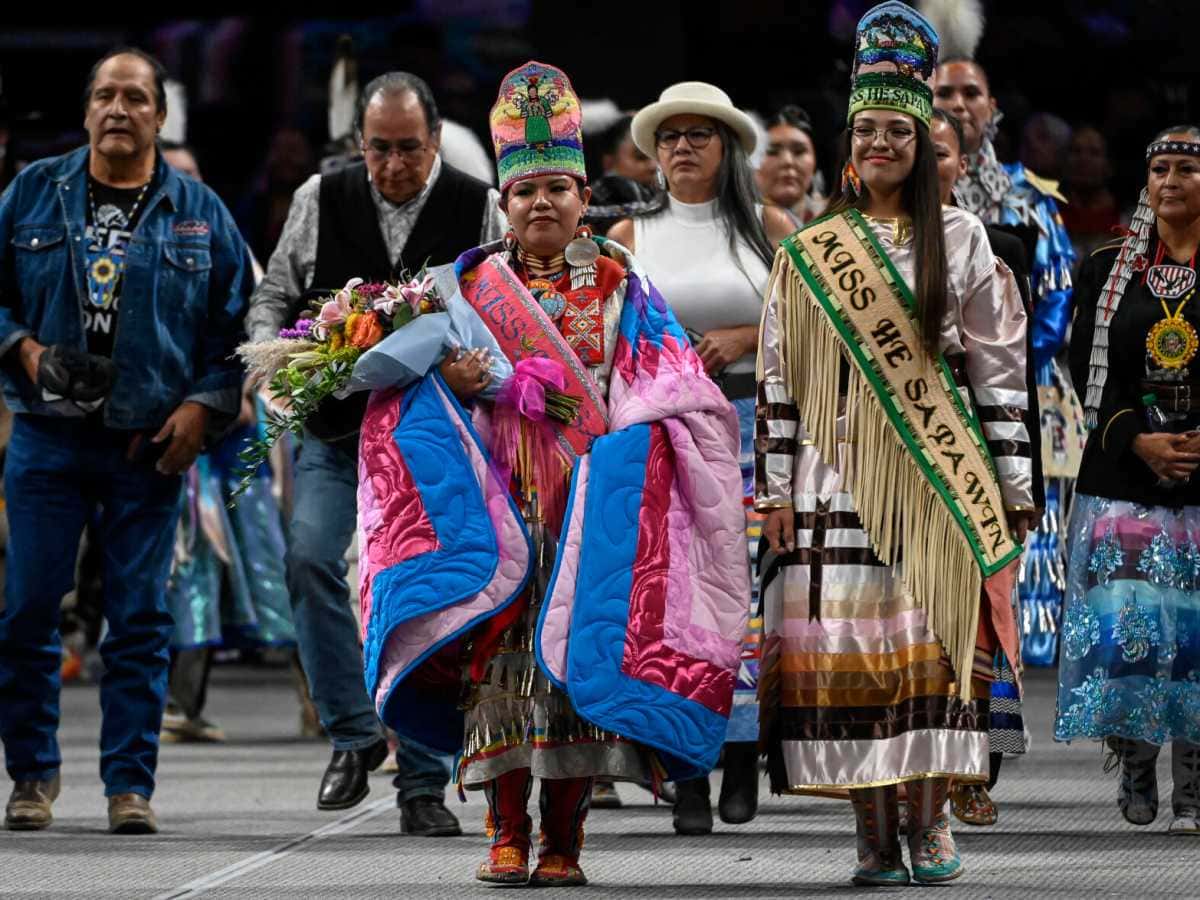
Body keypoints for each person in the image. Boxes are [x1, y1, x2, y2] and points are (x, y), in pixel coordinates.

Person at [352, 60, 748, 887]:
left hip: (587, 508)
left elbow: (673, 382)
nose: (542, 204)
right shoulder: (463, 290)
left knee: (571, 675)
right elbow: (403, 406)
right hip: (498, 509)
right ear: (503, 201)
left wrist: (628, 438)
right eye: (526, 190)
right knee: (500, 670)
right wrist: (446, 385)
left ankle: (564, 843)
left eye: (559, 190)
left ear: (582, 198)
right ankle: (504, 833)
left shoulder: (621, 285)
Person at [756, 3, 1033, 885]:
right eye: (865, 130)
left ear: (921, 141)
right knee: (853, 656)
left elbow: (998, 372)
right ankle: (873, 837)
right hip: (833, 475)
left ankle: (933, 824)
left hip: (933, 468)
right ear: (849, 144)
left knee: (934, 649)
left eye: (895, 131)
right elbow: (777, 380)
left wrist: (1014, 482)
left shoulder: (961, 237)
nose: (879, 144)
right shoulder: (809, 252)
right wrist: (771, 494)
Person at [245, 70, 504, 835]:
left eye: (410, 149)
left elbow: (496, 312)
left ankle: (422, 781)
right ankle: (355, 736)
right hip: (333, 429)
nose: (394, 165)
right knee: (310, 558)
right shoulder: (320, 198)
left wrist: (476, 368)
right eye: (380, 149)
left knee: (416, 591)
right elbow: (273, 296)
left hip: (430, 440)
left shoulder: (476, 202)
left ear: (436, 141)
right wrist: (274, 365)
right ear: (360, 144)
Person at [0, 48, 251, 834]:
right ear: (86, 111)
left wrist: (204, 409)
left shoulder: (201, 212)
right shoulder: (32, 193)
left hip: (150, 442)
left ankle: (128, 786)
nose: (119, 109)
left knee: (141, 618)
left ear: (159, 115)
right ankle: (33, 775)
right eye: (105, 95)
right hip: (46, 436)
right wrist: (25, 351)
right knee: (29, 610)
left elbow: (238, 331)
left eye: (135, 97)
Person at [606, 80, 791, 835]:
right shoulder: (626, 236)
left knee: (742, 597)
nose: (683, 147)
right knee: (674, 598)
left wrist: (748, 338)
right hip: (665, 434)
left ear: (729, 148)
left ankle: (742, 757)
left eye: (700, 135)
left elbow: (813, 333)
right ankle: (685, 771)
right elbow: (606, 343)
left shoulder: (772, 229)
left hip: (753, 427)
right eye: (671, 136)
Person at [1057, 125, 1200, 837]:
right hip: (1126, 471)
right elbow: (1088, 370)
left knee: (1198, 635)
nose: (1171, 181)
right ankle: (1137, 758)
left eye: (1186, 169)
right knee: (1135, 631)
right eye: (1159, 169)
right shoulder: (1110, 266)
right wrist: (1140, 441)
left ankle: (1195, 783)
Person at [930, 2, 1077, 670]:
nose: (959, 104)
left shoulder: (1029, 199)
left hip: (1023, 385)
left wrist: (1008, 362)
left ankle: (1021, 642)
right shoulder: (906, 195)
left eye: (970, 93)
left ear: (993, 108)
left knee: (1015, 513)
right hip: (932, 385)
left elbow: (1058, 293)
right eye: (944, 93)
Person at [932, 107, 1043, 826]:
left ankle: (975, 764)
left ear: (959, 163)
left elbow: (1008, 374)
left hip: (965, 440)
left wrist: (1015, 479)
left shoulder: (988, 243)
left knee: (979, 604)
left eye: (934, 148)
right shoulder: (833, 249)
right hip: (879, 450)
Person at [1061, 125, 1122, 263]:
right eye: (1076, 151)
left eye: (1094, 153)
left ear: (1109, 165)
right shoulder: (1049, 218)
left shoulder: (1129, 222)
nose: (1083, 159)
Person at [756, 105, 823, 226]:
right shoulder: (731, 226)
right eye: (772, 151)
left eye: (799, 151)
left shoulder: (840, 222)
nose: (787, 161)